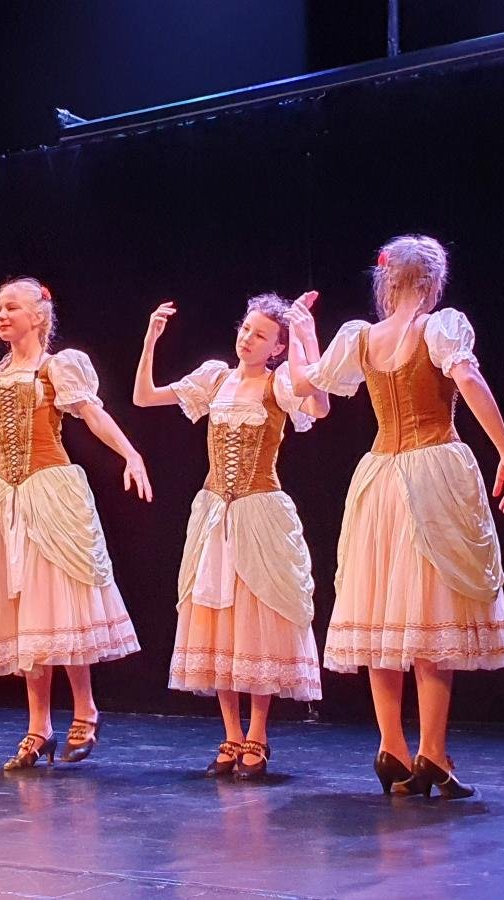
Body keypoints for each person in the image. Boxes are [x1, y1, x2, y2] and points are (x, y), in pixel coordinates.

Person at [287, 236, 504, 798]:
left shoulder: (360, 336)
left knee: (386, 611)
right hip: (432, 470)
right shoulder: (439, 327)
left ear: (386, 283)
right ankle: (432, 752)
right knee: (431, 613)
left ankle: (391, 745)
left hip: (379, 479)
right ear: (433, 283)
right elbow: (468, 379)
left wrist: (302, 333)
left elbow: (304, 383)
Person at [0, 277, 148, 770]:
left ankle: (85, 708)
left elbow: (92, 414)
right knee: (26, 614)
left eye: (12, 308)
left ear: (38, 316)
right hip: (7, 498)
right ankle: (38, 725)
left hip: (50, 491)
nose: (2, 315)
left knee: (62, 604)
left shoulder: (57, 367)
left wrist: (130, 453)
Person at [133, 292, 329, 778]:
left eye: (260, 335)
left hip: (260, 512)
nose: (247, 339)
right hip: (214, 512)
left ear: (276, 347)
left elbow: (320, 405)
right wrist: (151, 340)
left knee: (257, 619)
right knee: (217, 618)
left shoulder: (279, 384)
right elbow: (144, 396)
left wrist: (307, 340)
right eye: (246, 329)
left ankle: (257, 733)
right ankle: (230, 733)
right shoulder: (215, 378)